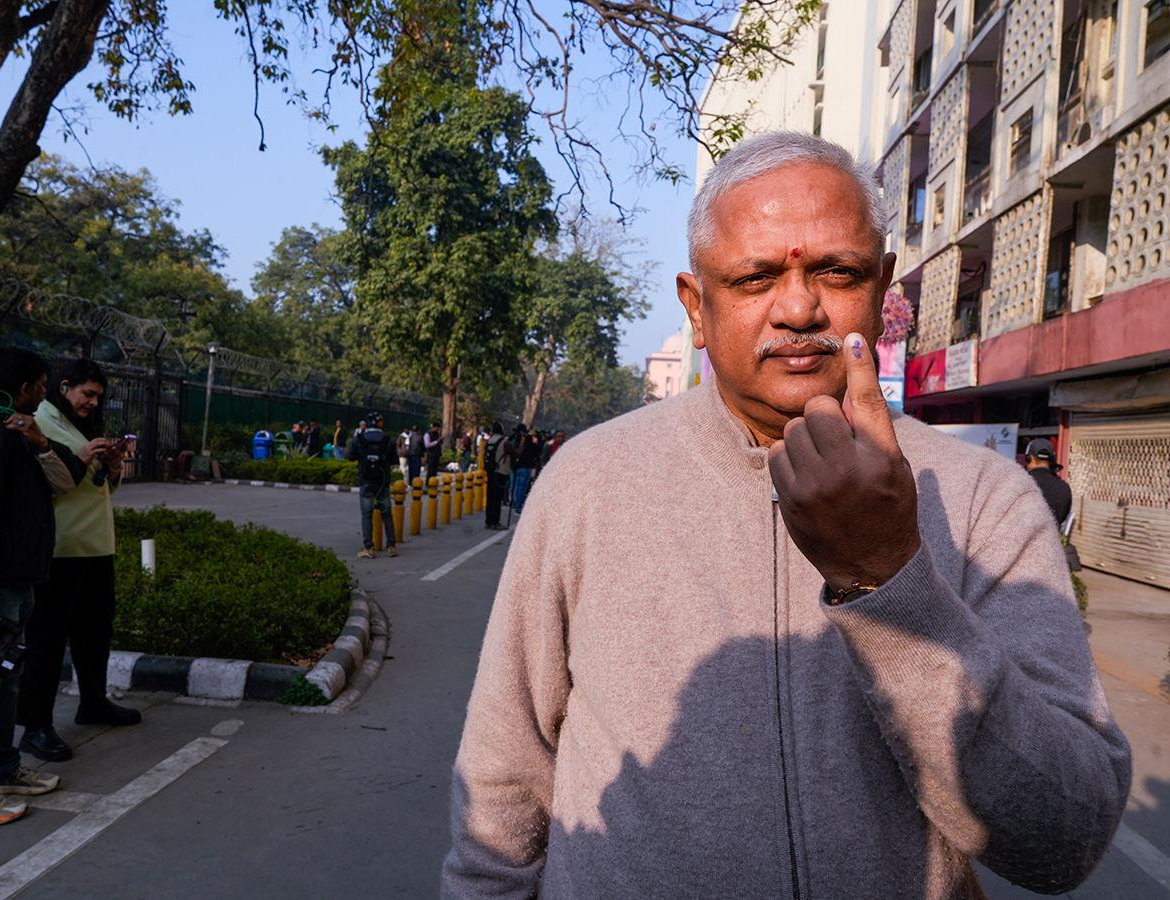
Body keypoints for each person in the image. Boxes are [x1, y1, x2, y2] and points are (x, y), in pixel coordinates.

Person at [441, 133, 1131, 899]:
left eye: (837, 272)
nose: (800, 306)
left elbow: (1063, 838)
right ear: (696, 308)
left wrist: (891, 580)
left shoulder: (984, 498)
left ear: (884, 293)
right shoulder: (588, 482)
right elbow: (502, 785)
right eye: (755, 276)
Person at [0, 349, 82, 826]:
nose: (44, 393)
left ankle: (2, 769)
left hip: (21, 580)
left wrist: (39, 441)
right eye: (40, 386)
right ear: (25, 388)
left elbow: (65, 484)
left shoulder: (19, 434)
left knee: (7, 680)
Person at [18, 358, 142, 764]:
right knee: (48, 640)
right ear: (64, 386)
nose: (92, 403)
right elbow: (55, 480)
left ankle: (93, 701)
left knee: (95, 631)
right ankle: (35, 726)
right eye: (87, 394)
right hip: (60, 546)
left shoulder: (80, 425)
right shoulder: (42, 423)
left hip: (96, 545)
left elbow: (98, 485)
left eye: (98, 397)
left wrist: (111, 464)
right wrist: (86, 454)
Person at [347, 412, 398, 559]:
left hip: (366, 481)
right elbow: (394, 460)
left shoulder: (358, 439)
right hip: (382, 482)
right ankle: (391, 546)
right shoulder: (389, 440)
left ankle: (369, 548)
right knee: (387, 513)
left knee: (366, 514)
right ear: (381, 423)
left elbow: (351, 457)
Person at [1024, 437, 1072, 527]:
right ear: (1052, 458)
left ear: (1029, 458)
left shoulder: (1020, 483)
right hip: (1051, 539)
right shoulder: (1064, 488)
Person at [482, 423, 515, 532]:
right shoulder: (504, 442)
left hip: (491, 471)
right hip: (500, 471)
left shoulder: (489, 441)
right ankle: (495, 522)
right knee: (497, 498)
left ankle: (488, 521)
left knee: (490, 497)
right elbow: (515, 453)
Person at [510, 424, 539, 514]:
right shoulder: (530, 446)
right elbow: (537, 455)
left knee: (516, 487)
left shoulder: (517, 443)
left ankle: (515, 503)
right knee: (522, 488)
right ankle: (519, 507)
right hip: (526, 468)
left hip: (517, 467)